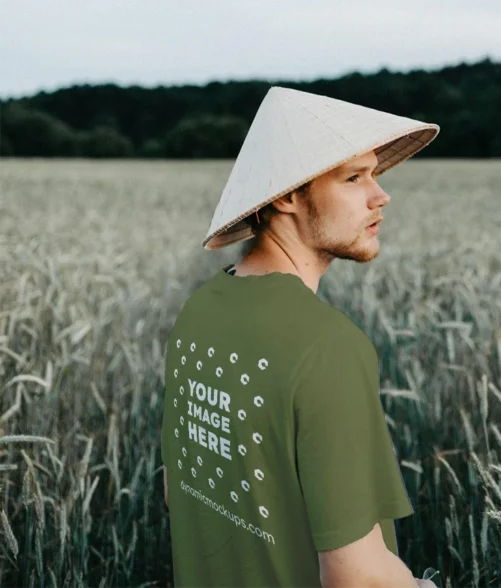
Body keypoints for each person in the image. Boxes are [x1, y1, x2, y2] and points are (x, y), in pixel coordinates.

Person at [161, 85, 440, 587]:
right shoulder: (327, 346)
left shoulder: (198, 312)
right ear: (287, 194)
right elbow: (357, 578)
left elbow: (177, 488)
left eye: (375, 174)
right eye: (354, 177)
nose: (381, 195)